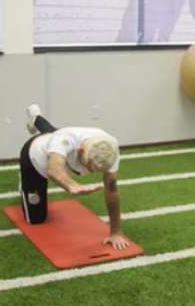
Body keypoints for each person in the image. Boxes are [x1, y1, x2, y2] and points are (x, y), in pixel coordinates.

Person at [18, 104, 129, 250]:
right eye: (88, 166)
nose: (89, 171)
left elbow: (112, 189)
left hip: (58, 140)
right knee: (36, 219)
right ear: (81, 150)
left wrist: (115, 232)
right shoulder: (65, 139)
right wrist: (72, 185)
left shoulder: (110, 147)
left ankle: (36, 118)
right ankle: (23, 182)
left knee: (53, 133)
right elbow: (54, 170)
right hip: (34, 160)